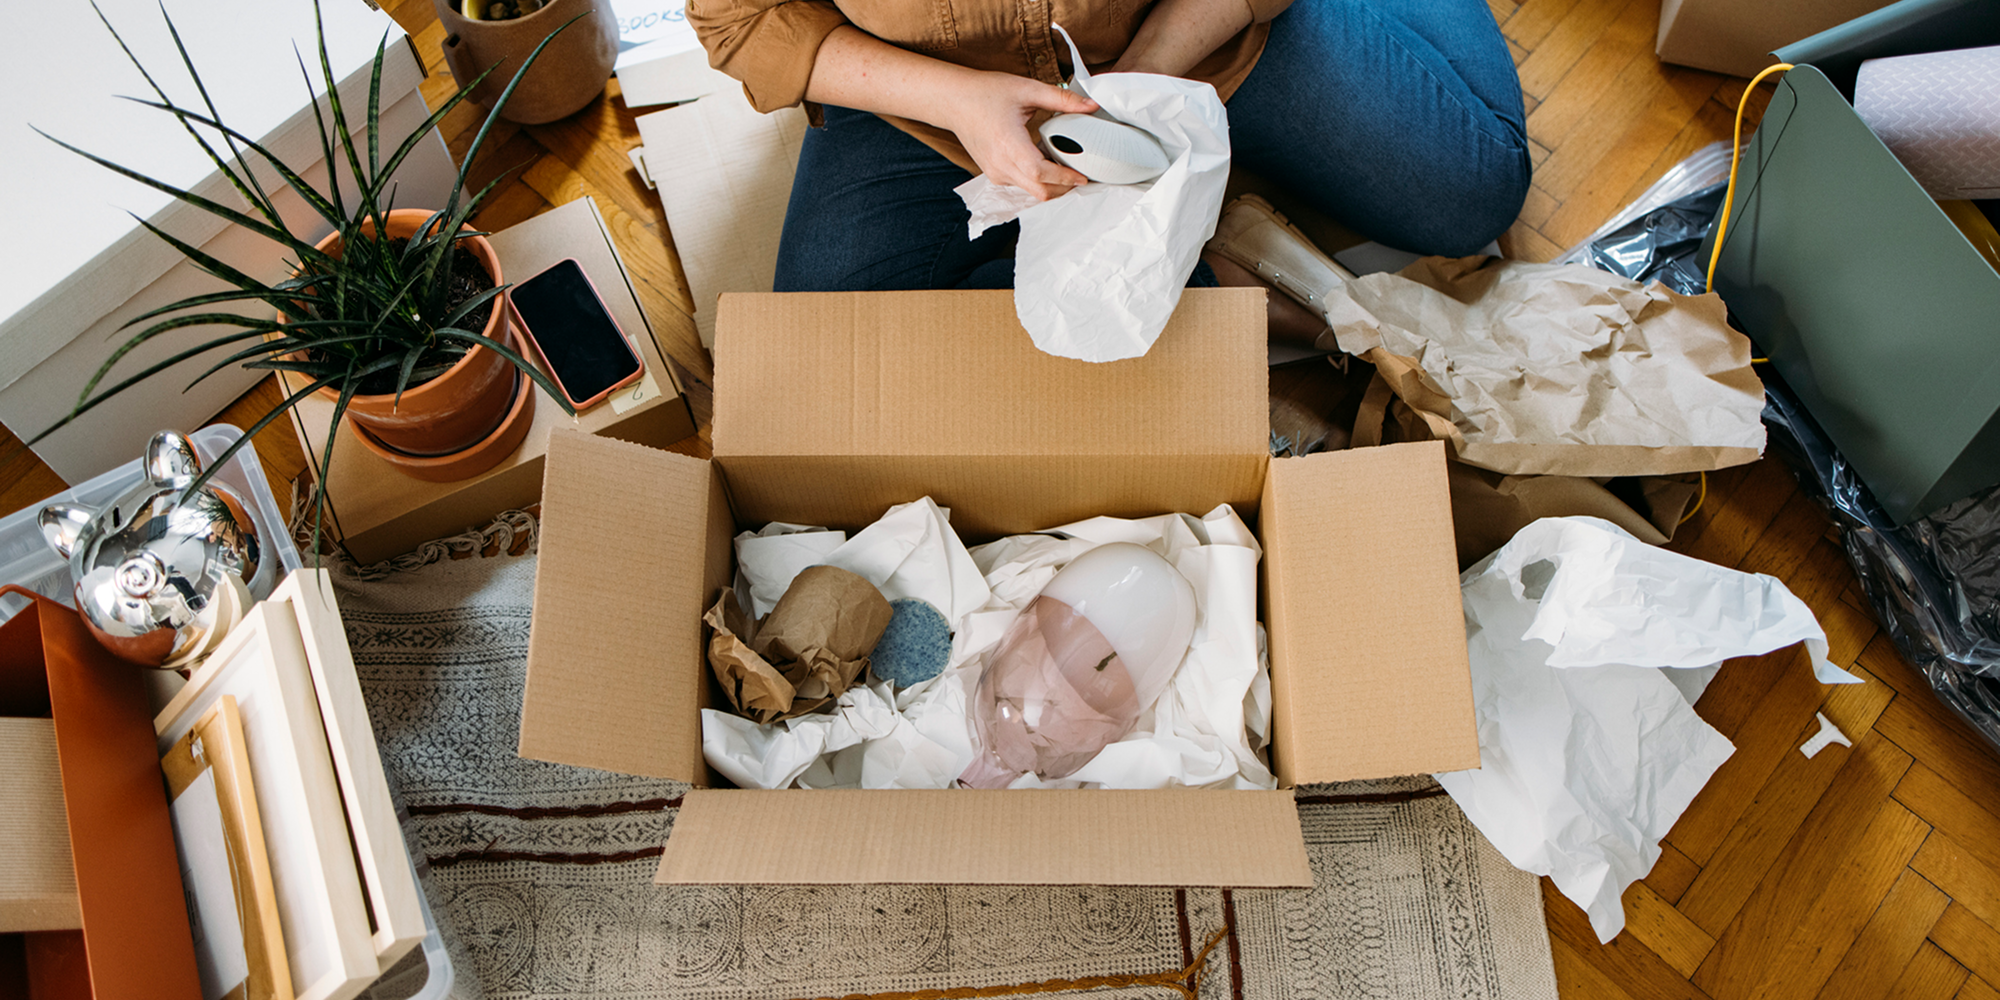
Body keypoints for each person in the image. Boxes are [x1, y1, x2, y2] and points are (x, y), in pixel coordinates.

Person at [688, 0, 1530, 335]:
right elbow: (743, 17)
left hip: (1196, 20)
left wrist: (1156, 64)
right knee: (834, 352)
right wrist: (956, 100)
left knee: (1472, 193)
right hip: (919, 79)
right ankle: (1213, 278)